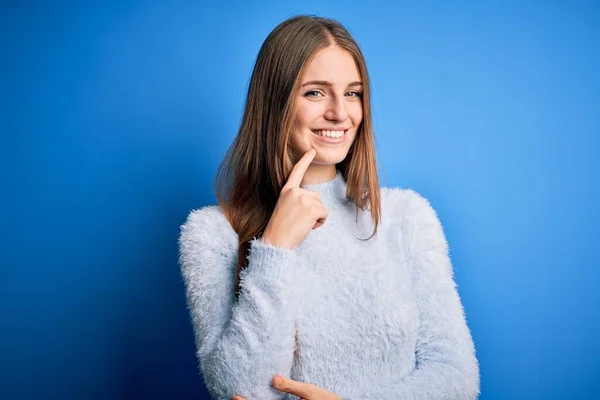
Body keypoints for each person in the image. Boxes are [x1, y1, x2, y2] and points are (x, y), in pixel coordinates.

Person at [178, 15, 480, 400]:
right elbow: (238, 391)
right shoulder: (211, 234)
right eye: (316, 93)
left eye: (352, 93)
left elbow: (456, 377)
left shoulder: (406, 217)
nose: (340, 113)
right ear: (274, 103)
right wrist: (274, 247)